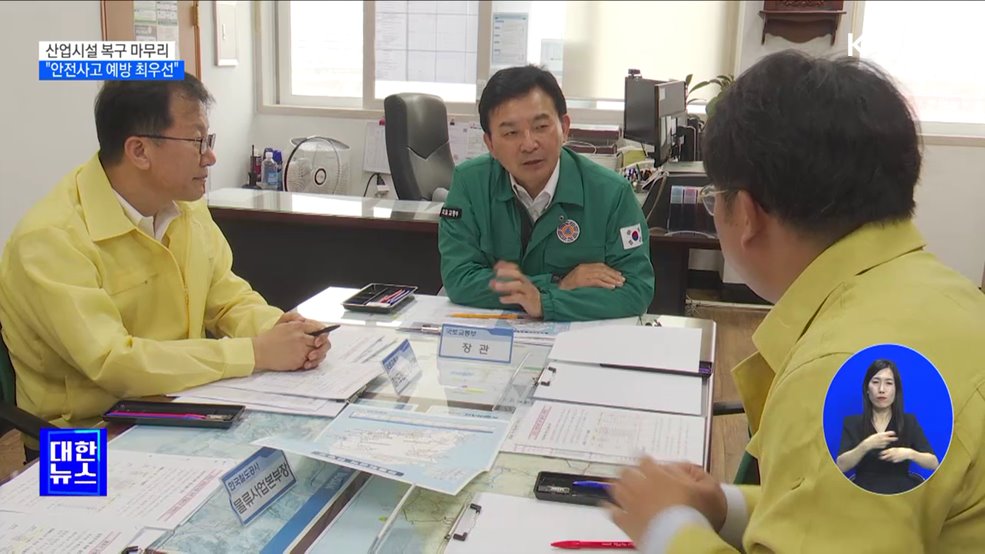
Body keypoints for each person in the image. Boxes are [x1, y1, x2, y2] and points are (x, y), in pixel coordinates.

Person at [605, 50, 985, 552]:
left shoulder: (848, 375)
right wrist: (725, 506)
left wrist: (665, 529)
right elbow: (849, 514)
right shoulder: (938, 293)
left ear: (745, 213)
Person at [0, 74, 331, 440]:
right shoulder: (50, 239)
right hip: (85, 436)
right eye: (197, 141)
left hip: (181, 404)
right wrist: (254, 353)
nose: (211, 155)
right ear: (139, 151)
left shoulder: (184, 208)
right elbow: (115, 362)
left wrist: (285, 332)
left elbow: (226, 299)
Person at [438, 65, 655, 322]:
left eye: (541, 126)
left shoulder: (611, 194)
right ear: (490, 144)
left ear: (564, 126)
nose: (529, 144)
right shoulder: (470, 183)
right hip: (496, 342)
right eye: (511, 133)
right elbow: (459, 278)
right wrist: (558, 284)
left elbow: (636, 290)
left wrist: (544, 302)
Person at [835, 359, 938, 494]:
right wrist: (866, 445)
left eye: (888, 383)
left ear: (896, 390)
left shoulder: (909, 421)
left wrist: (909, 453)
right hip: (863, 492)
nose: (881, 389)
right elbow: (841, 466)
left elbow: (933, 463)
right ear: (867, 388)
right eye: (876, 382)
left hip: (902, 493)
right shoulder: (852, 423)